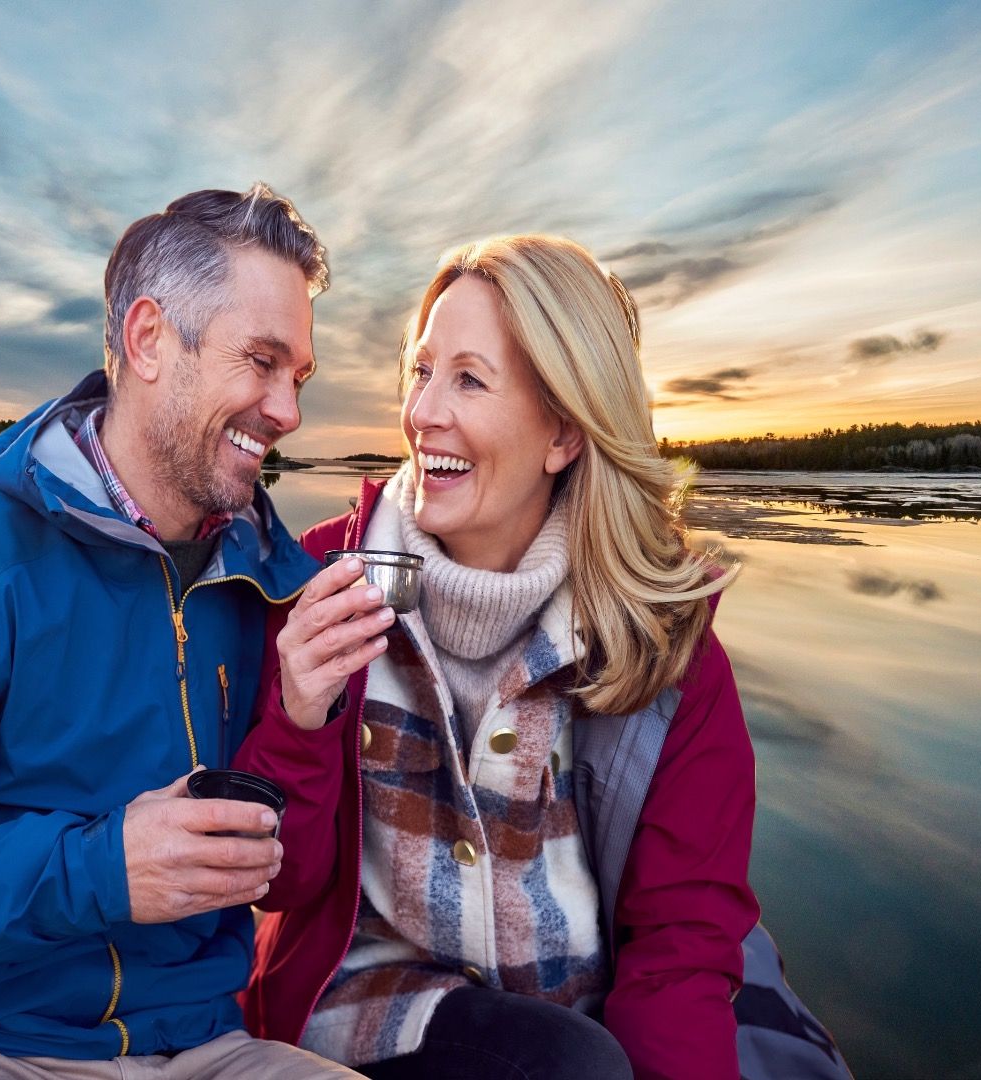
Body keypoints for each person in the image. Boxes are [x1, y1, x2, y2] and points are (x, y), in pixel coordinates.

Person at [0, 185, 365, 1080]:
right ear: (148, 341)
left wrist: (302, 720)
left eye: (298, 377)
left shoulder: (270, 581)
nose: (287, 411)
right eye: (260, 361)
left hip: (210, 1050)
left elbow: (288, 882)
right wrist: (100, 870)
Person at [235, 235, 761, 1080]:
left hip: (576, 1007)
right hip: (368, 1006)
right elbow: (282, 884)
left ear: (563, 434)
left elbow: (681, 943)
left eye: (469, 380)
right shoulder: (323, 580)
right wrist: (300, 715)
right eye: (421, 370)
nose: (423, 413)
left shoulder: (667, 645)